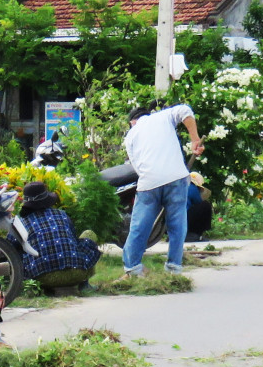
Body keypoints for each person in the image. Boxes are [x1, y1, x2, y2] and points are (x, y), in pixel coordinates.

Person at [120, 100, 203, 275]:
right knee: (177, 225)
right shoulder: (163, 116)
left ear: (132, 122)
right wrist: (195, 139)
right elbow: (185, 110)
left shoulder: (131, 135)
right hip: (177, 178)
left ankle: (133, 268)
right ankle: (173, 267)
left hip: (149, 183)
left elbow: (136, 166)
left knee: (139, 226)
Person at [17, 180, 101, 293]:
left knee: (19, 250)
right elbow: (74, 240)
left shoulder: (21, 222)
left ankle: (39, 289)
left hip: (42, 277)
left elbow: (9, 248)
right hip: (77, 272)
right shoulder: (61, 214)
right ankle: (84, 284)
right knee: (89, 234)